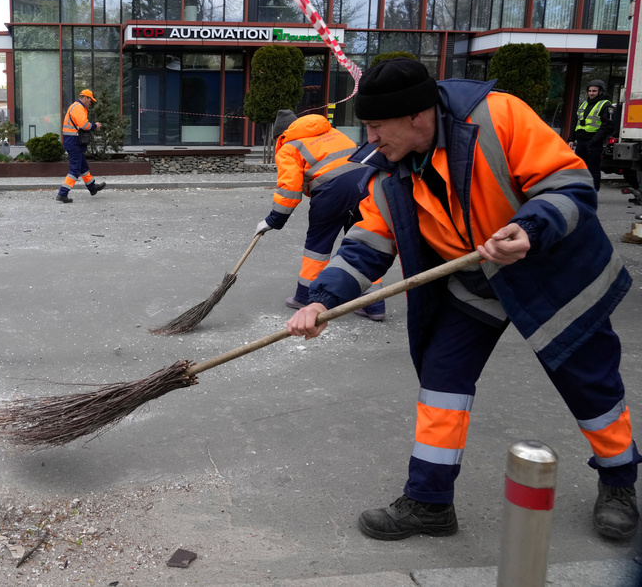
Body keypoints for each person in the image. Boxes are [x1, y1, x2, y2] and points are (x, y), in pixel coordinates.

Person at [286, 58, 640, 541]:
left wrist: (532, 227)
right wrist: (321, 298)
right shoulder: (388, 170)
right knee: (442, 378)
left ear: (416, 115)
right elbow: (371, 238)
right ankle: (429, 501)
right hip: (477, 279)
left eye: (375, 126)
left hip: (550, 269)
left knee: (589, 381)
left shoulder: (499, 117)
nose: (369, 139)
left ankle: (620, 482)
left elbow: (568, 184)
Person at [255, 110, 385, 321]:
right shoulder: (332, 132)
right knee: (363, 241)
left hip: (332, 192)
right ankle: (374, 304)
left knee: (317, 246)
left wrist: (273, 221)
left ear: (281, 135)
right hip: (366, 183)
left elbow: (290, 189)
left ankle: (306, 297)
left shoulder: (289, 146)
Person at [56, 89, 106, 203]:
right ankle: (62, 193)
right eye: (90, 100)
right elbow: (84, 125)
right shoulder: (78, 107)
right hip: (74, 142)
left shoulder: (76, 106)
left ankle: (92, 187)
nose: (90, 103)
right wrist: (95, 126)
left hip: (72, 142)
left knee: (83, 167)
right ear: (85, 98)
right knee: (75, 169)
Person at [573, 79, 616, 190]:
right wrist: (571, 138)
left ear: (600, 91)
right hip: (581, 142)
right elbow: (577, 122)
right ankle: (581, 190)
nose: (591, 93)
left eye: (594, 91)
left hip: (594, 142)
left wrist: (593, 141)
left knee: (593, 169)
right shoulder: (584, 104)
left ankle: (592, 192)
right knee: (580, 169)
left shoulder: (606, 105)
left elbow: (608, 126)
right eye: (590, 91)